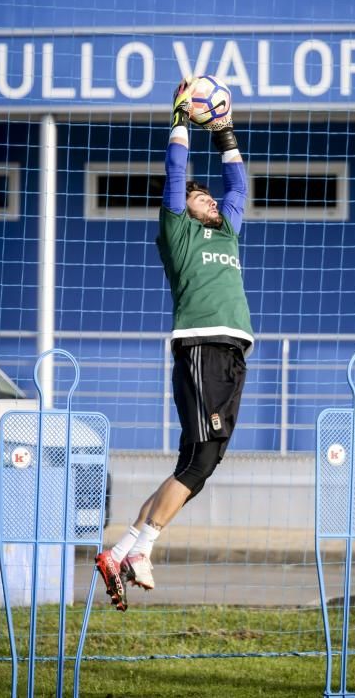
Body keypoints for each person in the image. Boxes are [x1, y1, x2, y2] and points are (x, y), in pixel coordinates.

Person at [95, 78, 254, 611]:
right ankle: (142, 550)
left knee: (197, 466)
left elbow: (237, 186)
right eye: (198, 197)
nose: (207, 199)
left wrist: (224, 131)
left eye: (208, 197)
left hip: (231, 354)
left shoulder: (227, 230)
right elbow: (175, 175)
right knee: (200, 460)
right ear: (184, 210)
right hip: (201, 349)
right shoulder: (178, 233)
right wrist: (183, 118)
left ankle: (121, 552)